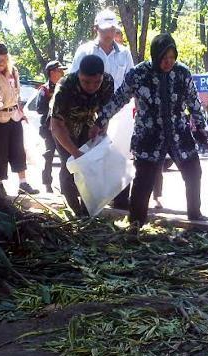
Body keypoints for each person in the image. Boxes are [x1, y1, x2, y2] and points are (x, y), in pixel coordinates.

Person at [94, 33, 208, 226]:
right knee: (144, 180)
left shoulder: (182, 73)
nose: (168, 62)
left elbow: (193, 102)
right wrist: (100, 121)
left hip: (178, 133)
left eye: (172, 58)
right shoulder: (139, 74)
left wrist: (202, 128)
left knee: (193, 172)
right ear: (155, 55)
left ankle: (195, 215)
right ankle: (136, 222)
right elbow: (119, 98)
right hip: (149, 135)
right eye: (164, 58)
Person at [69, 8, 134, 209]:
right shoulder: (85, 51)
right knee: (91, 156)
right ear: (96, 28)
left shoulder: (124, 53)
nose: (108, 33)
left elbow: (132, 81)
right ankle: (91, 198)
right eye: (105, 29)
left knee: (121, 156)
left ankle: (121, 200)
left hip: (120, 113)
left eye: (112, 29)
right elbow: (72, 81)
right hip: (90, 112)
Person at [51, 55, 114, 216]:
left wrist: (101, 130)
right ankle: (76, 212)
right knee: (71, 166)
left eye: (96, 82)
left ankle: (89, 211)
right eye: (86, 82)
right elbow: (56, 125)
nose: (92, 86)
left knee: (91, 167)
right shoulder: (65, 86)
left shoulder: (107, 82)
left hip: (88, 124)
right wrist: (75, 152)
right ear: (79, 74)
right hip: (65, 126)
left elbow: (106, 112)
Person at [0, 43, 39, 195]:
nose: (2, 63)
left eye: (5, 59)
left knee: (18, 150)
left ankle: (23, 184)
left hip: (14, 116)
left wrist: (20, 111)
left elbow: (16, 94)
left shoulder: (13, 71)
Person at [36, 60, 66, 193]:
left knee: (65, 158)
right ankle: (47, 184)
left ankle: (66, 187)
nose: (62, 73)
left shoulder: (65, 87)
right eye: (59, 70)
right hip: (49, 130)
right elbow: (39, 108)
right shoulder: (44, 89)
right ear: (52, 73)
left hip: (63, 128)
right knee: (49, 156)